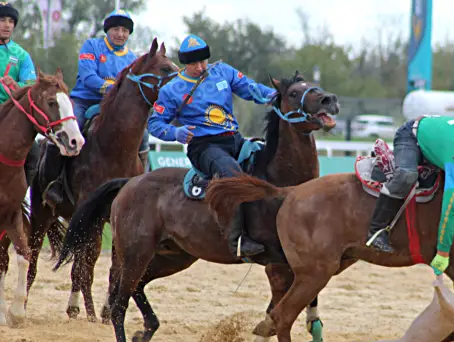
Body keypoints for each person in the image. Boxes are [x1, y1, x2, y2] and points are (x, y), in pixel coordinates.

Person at [148, 34, 276, 259]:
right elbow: (155, 124)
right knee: (232, 174)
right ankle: (237, 240)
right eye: (193, 63)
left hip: (235, 139)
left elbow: (250, 88)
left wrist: (277, 96)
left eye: (203, 61)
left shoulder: (222, 71)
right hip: (203, 147)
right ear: (184, 64)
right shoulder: (172, 89)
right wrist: (176, 133)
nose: (200, 67)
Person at [366, 115, 454, 276]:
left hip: (438, 136)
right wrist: (442, 253)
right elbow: (450, 212)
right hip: (411, 135)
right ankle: (376, 230)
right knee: (406, 176)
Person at [43, 9, 149, 206]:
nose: (120, 34)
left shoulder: (133, 59)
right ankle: (53, 183)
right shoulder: (92, 46)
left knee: (143, 135)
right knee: (67, 130)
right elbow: (88, 77)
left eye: (125, 30)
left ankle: (144, 184)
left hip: (114, 109)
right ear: (108, 30)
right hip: (84, 101)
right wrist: (115, 89)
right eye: (116, 29)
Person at [0, 2, 39, 185]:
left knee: (34, 152)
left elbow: (32, 85)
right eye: (2, 20)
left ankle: (21, 198)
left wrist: (17, 85)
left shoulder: (21, 55)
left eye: (10, 21)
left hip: (10, 114)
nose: (7, 25)